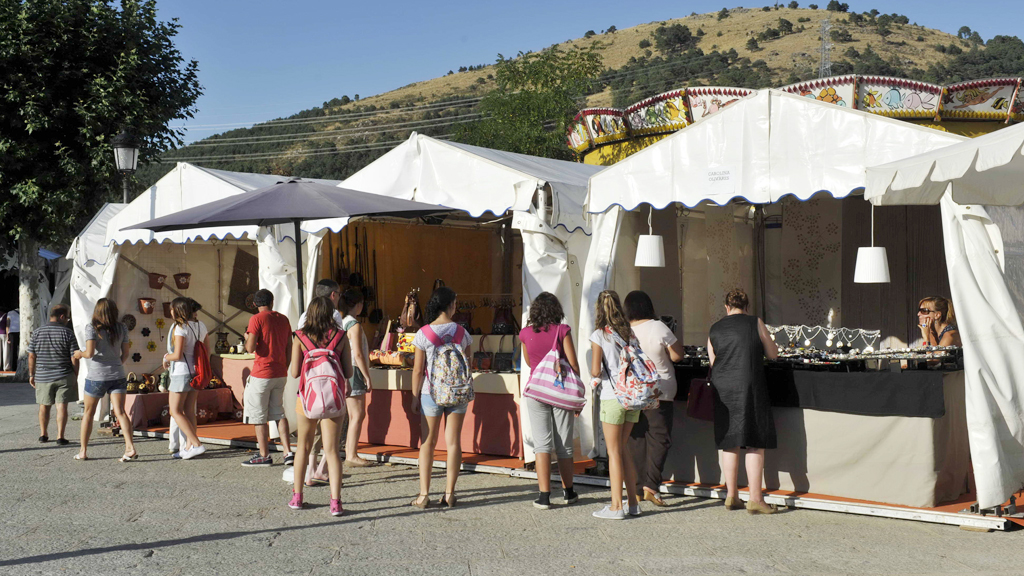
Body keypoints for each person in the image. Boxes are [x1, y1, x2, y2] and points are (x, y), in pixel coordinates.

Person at [707, 288, 779, 515]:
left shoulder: (715, 328)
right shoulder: (755, 322)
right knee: (754, 440)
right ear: (746, 307)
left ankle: (731, 496)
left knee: (730, 441)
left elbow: (713, 362)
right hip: (749, 386)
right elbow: (773, 354)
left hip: (723, 389)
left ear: (726, 307)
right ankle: (756, 499)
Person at [409, 286, 473, 509]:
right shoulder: (462, 333)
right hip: (457, 393)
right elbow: (469, 365)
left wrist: (415, 397)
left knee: (427, 443)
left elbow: (418, 370)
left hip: (430, 392)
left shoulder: (423, 333)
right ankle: (449, 494)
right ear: (451, 305)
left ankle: (424, 494)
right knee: (453, 442)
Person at [288, 296, 352, 516]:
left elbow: (295, 372)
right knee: (332, 450)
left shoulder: (300, 337)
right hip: (334, 398)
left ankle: (297, 497)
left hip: (306, 398)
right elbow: (349, 372)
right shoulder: (341, 336)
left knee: (303, 448)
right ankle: (335, 502)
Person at [624, 290, 685, 507]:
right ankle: (651, 485)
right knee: (660, 437)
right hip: (660, 390)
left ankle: (639, 488)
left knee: (637, 438)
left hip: (633, 391)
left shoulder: (624, 331)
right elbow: (678, 355)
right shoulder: (659, 327)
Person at [519, 292, 580, 509]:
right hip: (560, 390)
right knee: (564, 445)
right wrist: (577, 393)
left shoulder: (525, 333)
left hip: (537, 391)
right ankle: (568, 492)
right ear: (556, 310)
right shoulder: (562, 331)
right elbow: (573, 363)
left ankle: (544, 496)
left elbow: (528, 363)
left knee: (542, 445)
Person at [589, 290, 641, 520]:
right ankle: (633, 503)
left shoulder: (599, 335)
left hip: (613, 396)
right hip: (633, 397)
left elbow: (595, 370)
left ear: (599, 309)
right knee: (623, 448)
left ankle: (616, 506)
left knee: (613, 452)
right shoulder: (629, 332)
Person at [73, 299, 135, 461]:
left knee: (88, 413)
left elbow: (90, 353)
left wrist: (79, 353)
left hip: (97, 376)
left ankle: (83, 451)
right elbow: (126, 353)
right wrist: (116, 364)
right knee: (121, 412)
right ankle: (130, 447)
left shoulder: (92, 328)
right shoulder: (122, 328)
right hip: (118, 375)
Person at [241, 289, 294, 467]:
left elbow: (249, 348)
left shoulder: (256, 319)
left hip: (262, 372)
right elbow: (289, 346)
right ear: (272, 301)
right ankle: (288, 452)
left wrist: (247, 337)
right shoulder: (283, 319)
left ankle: (264, 455)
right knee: (279, 412)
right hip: (280, 372)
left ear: (255, 304)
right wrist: (285, 366)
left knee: (259, 416)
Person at [162, 297, 208, 460]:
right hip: (196, 372)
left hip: (181, 372)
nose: (171, 311)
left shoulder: (180, 328)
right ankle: (189, 446)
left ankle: (196, 444)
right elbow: (206, 350)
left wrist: (167, 357)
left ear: (178, 310)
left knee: (175, 410)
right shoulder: (201, 326)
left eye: (172, 309)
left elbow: (178, 354)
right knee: (189, 411)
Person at [27, 305, 79, 444]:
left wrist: (32, 374)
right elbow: (74, 357)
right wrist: (76, 374)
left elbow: (31, 356)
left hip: (43, 376)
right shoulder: (68, 333)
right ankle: (60, 437)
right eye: (68, 317)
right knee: (62, 406)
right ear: (61, 316)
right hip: (64, 375)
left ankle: (43, 435)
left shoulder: (37, 332)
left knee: (44, 405)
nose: (68, 320)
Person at [339, 288, 373, 467]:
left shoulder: (342, 322)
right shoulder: (354, 325)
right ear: (358, 305)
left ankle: (350, 451)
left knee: (352, 414)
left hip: (345, 369)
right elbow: (358, 354)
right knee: (357, 414)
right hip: (355, 370)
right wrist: (367, 376)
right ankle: (351, 454)